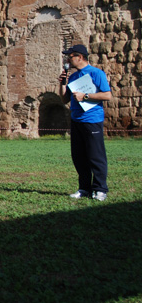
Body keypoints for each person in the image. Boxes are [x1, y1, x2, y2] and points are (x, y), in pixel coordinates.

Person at [59, 44, 112, 201]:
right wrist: (62, 83)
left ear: (79, 57)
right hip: (76, 120)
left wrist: (86, 96)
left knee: (96, 156)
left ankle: (100, 189)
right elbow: (64, 99)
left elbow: (107, 95)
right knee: (79, 157)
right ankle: (84, 188)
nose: (68, 59)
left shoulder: (97, 73)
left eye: (70, 56)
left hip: (92, 120)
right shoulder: (73, 77)